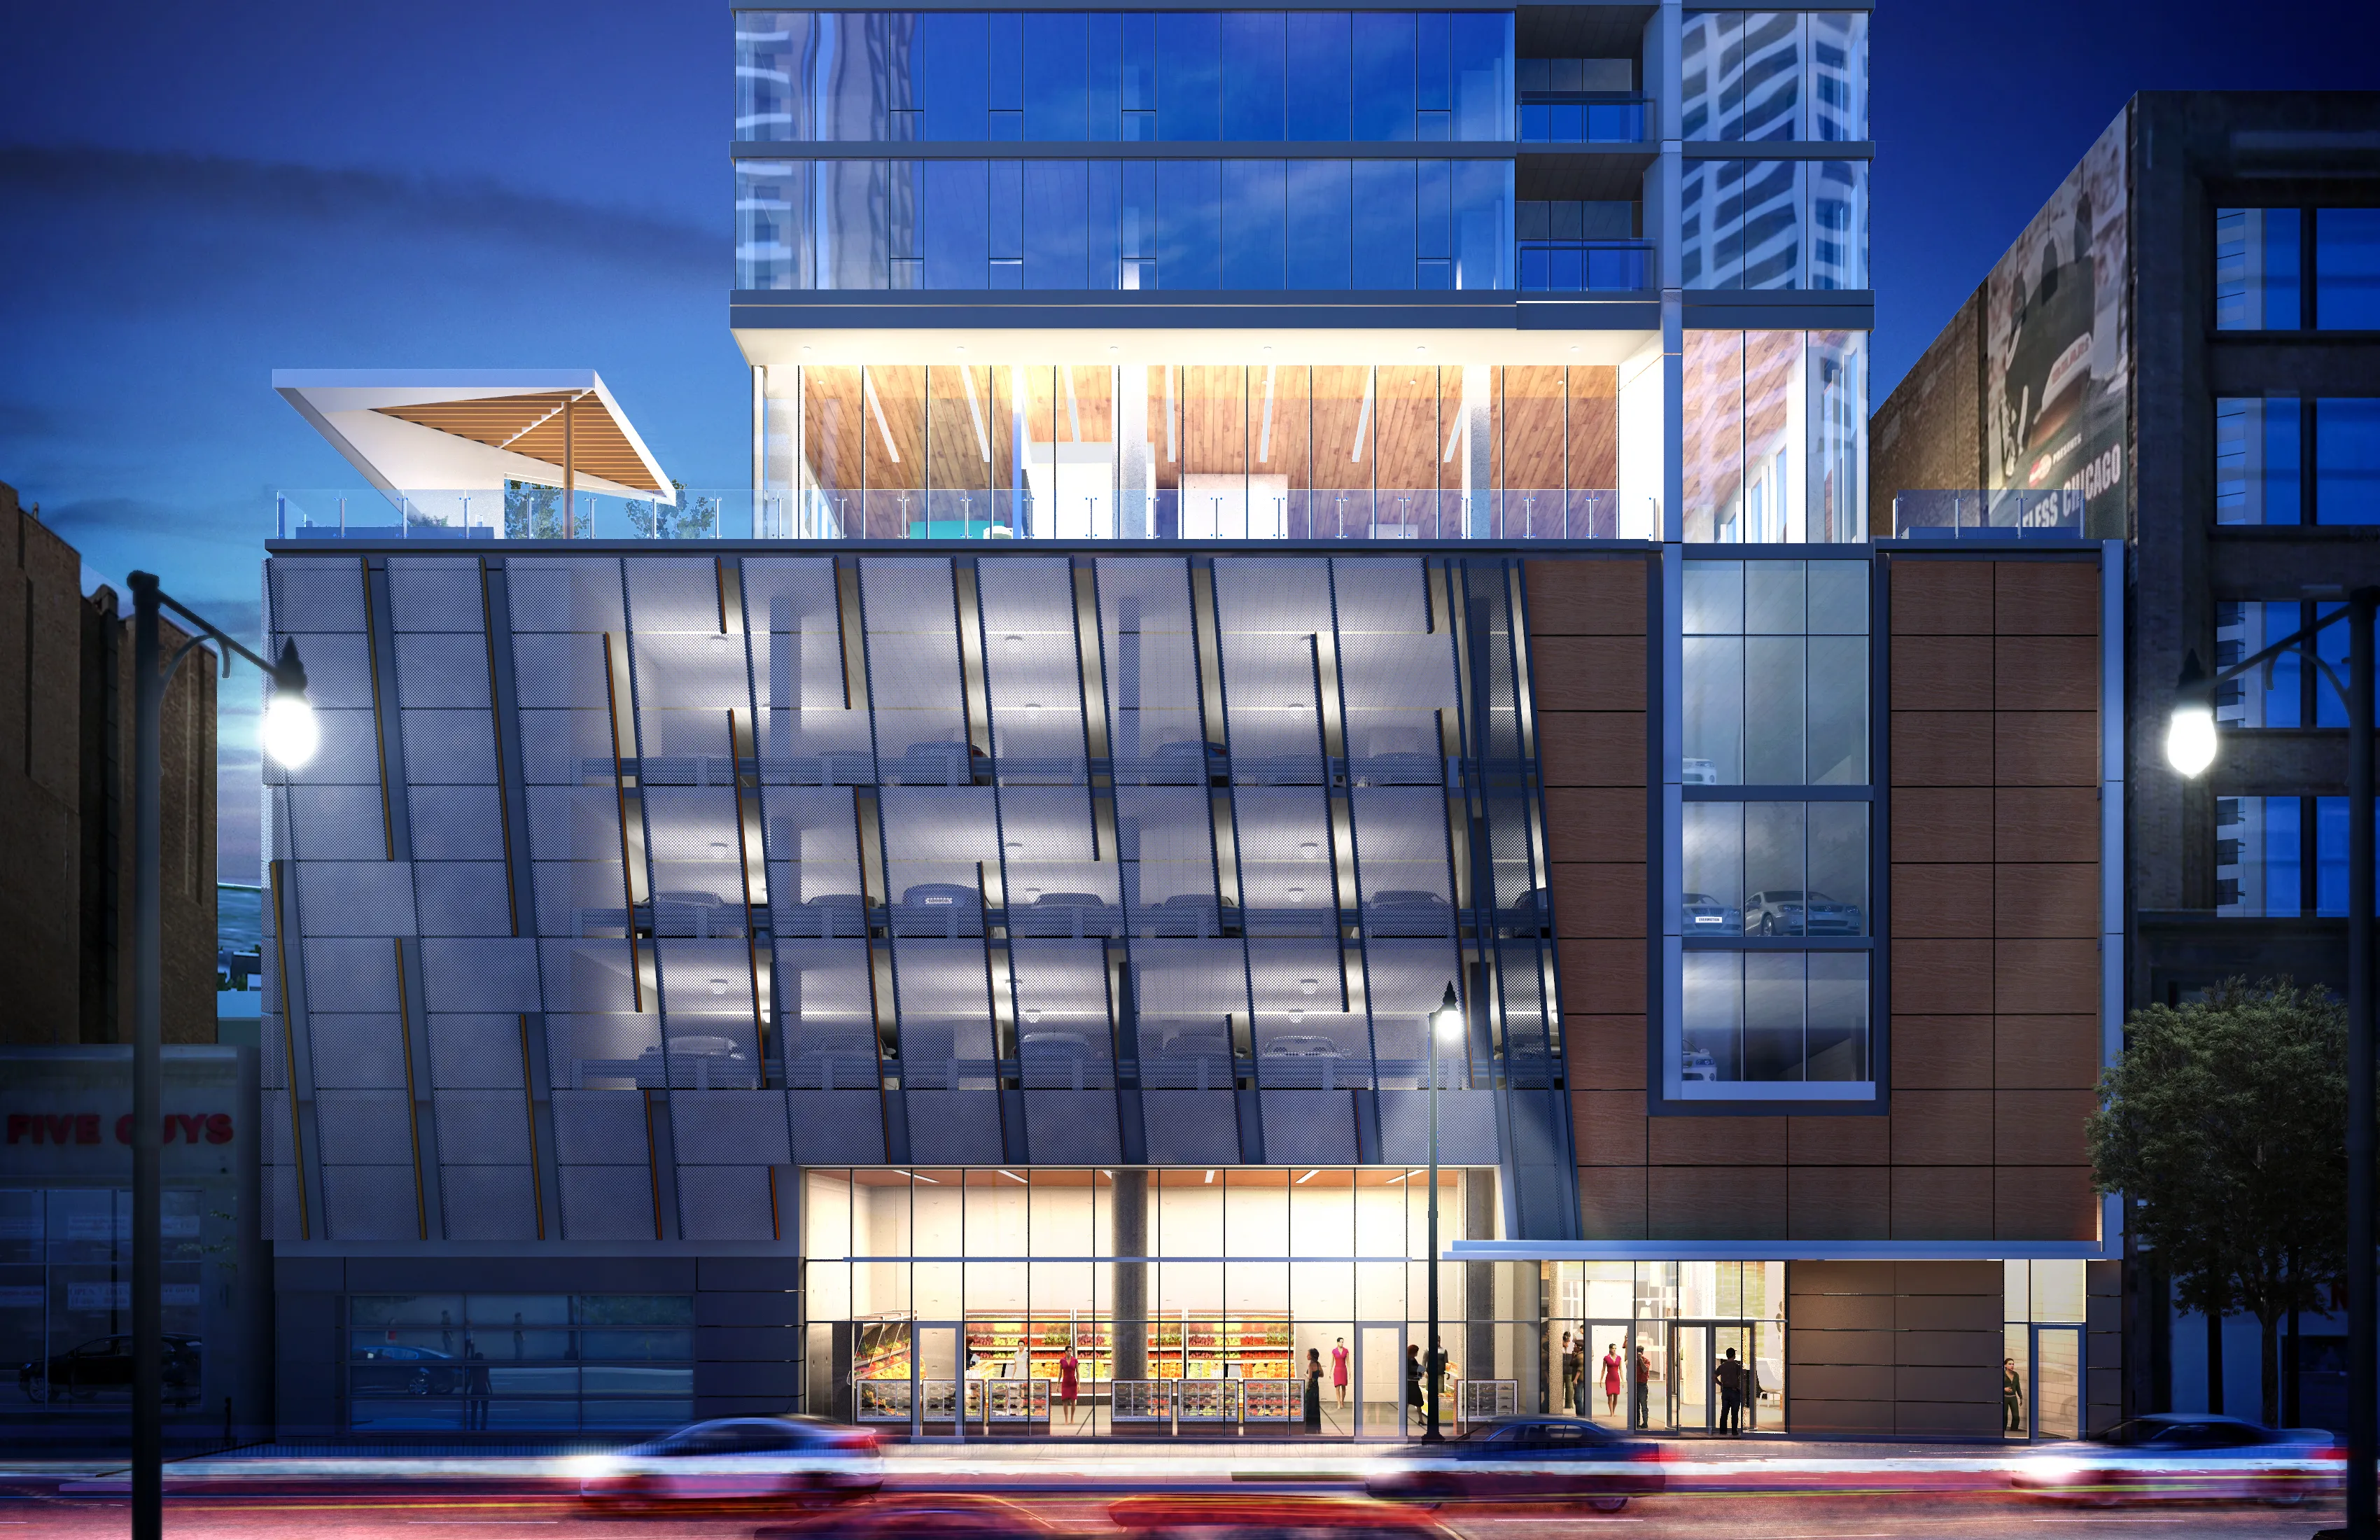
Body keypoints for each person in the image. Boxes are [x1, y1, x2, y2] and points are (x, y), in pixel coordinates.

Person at [1714, 1348, 1746, 1435]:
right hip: (1734, 1391)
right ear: (1734, 1355)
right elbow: (1743, 1377)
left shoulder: (1722, 1366)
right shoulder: (1737, 1366)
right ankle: (1734, 1432)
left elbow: (1714, 1376)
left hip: (1725, 1391)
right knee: (1734, 1413)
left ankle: (1723, 1431)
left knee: (1724, 1412)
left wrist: (1721, 1384)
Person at [463, 1339, 490, 1431]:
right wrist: (491, 1390)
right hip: (484, 1390)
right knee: (485, 1410)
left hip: (475, 1390)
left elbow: (469, 1381)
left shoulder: (473, 1367)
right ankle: (484, 1426)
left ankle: (473, 1427)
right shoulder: (486, 1367)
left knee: (474, 1411)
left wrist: (466, 1390)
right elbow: (487, 1379)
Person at [1632, 1345, 1656, 1430]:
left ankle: (1645, 1423)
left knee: (1643, 1405)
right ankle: (1637, 1422)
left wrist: (1640, 1359)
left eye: (1640, 1352)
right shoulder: (1633, 1361)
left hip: (1642, 1385)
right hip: (1635, 1385)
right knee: (1636, 1406)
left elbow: (1645, 1369)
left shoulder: (1646, 1361)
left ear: (1642, 1352)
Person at [1559, 1331, 1580, 1413]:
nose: (1567, 1343)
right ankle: (1558, 1404)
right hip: (1560, 1372)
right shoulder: (1559, 1348)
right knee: (1559, 1389)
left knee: (1570, 1389)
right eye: (1565, 1341)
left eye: (1568, 1341)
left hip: (1569, 1371)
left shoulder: (1572, 1347)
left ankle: (1569, 1405)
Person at [1405, 1343, 1425, 1428]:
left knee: (1414, 1402)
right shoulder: (1409, 1360)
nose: (1417, 1353)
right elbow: (1415, 1368)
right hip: (1411, 1383)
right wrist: (1423, 1371)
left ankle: (1421, 1420)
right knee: (1416, 1401)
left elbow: (1417, 1368)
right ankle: (1420, 1420)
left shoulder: (1412, 1359)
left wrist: (1422, 1371)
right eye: (1416, 1352)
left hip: (1412, 1382)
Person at [1601, 1343, 1624, 1415]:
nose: (1614, 1350)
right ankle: (1611, 1413)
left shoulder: (1619, 1358)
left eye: (1615, 1348)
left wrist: (1622, 1380)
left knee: (1616, 1396)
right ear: (1610, 1349)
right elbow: (1603, 1369)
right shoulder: (1606, 1358)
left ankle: (1614, 1411)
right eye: (1613, 1348)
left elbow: (1621, 1369)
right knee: (1610, 1396)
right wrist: (1601, 1379)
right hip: (1609, 1378)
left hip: (1616, 1378)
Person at [1304, 1348, 1324, 1433]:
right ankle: (1317, 1429)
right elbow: (1322, 1375)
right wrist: (1316, 1376)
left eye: (1308, 1354)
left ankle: (1308, 1429)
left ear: (1311, 1356)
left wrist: (1305, 1373)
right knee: (1315, 1406)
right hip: (1316, 1387)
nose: (1307, 1356)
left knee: (1309, 1406)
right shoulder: (1318, 1364)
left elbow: (1310, 1377)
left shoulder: (1310, 1365)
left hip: (1310, 1387)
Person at [1058, 1345, 1081, 1418]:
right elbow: (1060, 1373)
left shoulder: (1075, 1360)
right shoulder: (1062, 1361)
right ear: (1065, 1352)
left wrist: (1079, 1384)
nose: (1069, 1352)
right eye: (1068, 1351)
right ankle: (1066, 1419)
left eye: (1070, 1351)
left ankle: (1072, 1418)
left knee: (1073, 1401)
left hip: (1073, 1382)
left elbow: (1078, 1372)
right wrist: (1058, 1383)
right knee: (1064, 1401)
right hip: (1065, 1383)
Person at [2003, 1358, 2024, 1435]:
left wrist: (2021, 1397)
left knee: (2016, 1416)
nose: (2012, 1366)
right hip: (2004, 1398)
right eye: (2010, 1364)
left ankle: (2014, 1432)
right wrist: (2004, 1388)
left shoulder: (2016, 1375)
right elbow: (1995, 1385)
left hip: (2013, 1397)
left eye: (2013, 1364)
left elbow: (2018, 1386)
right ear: (2005, 1365)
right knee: (2004, 1416)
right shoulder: (2002, 1374)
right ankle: (2003, 1433)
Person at [1331, 1338, 1350, 1405]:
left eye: (1343, 1342)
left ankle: (1342, 1402)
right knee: (1337, 1388)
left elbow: (1348, 1362)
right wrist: (1330, 1371)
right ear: (1337, 1342)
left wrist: (1350, 1371)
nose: (1342, 1343)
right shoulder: (1334, 1351)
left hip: (1343, 1370)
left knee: (1344, 1387)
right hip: (1337, 1370)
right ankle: (1339, 1403)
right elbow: (1332, 1362)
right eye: (1340, 1342)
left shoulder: (1346, 1351)